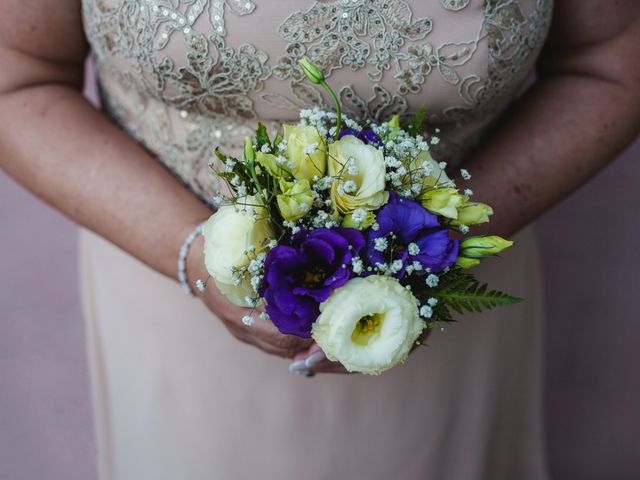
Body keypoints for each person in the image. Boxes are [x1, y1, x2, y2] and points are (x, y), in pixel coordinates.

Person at [0, 1, 638, 478]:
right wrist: (194, 252)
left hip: (455, 308)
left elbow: (609, 63)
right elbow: (17, 78)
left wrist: (426, 252)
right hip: (173, 303)